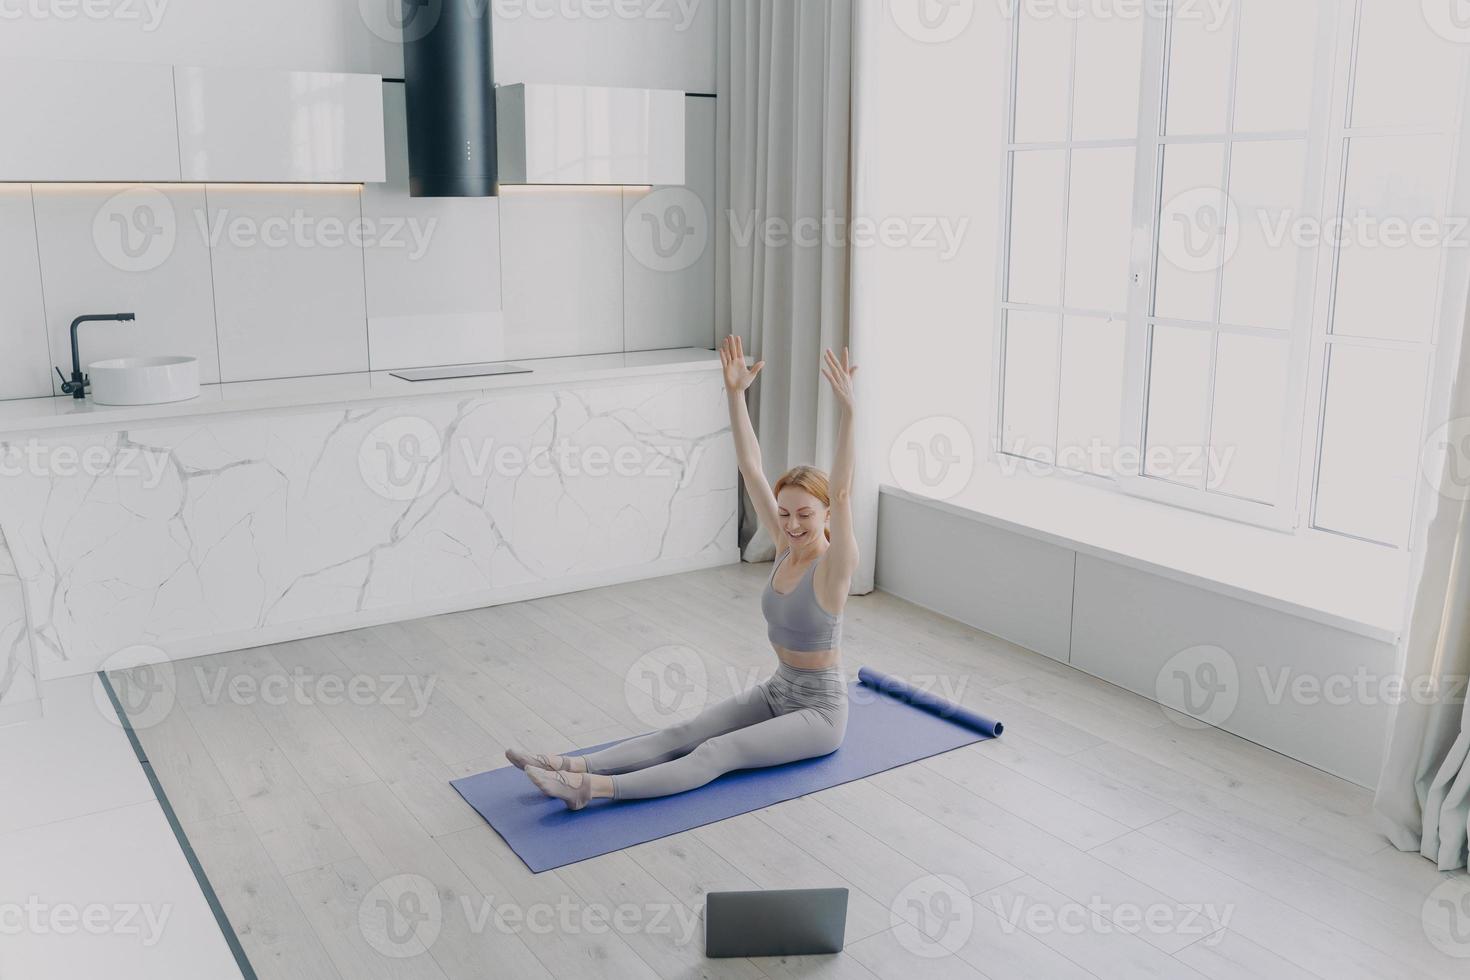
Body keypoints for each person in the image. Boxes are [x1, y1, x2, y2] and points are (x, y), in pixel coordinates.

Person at [507, 334, 861, 809]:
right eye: (785, 513)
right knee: (685, 730)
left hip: (820, 713)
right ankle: (572, 765)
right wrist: (735, 395)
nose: (793, 524)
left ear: (825, 516)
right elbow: (751, 467)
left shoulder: (834, 567)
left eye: (805, 514)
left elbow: (841, 493)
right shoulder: (782, 546)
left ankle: (591, 790)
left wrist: (850, 414)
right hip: (778, 690)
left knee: (719, 750)